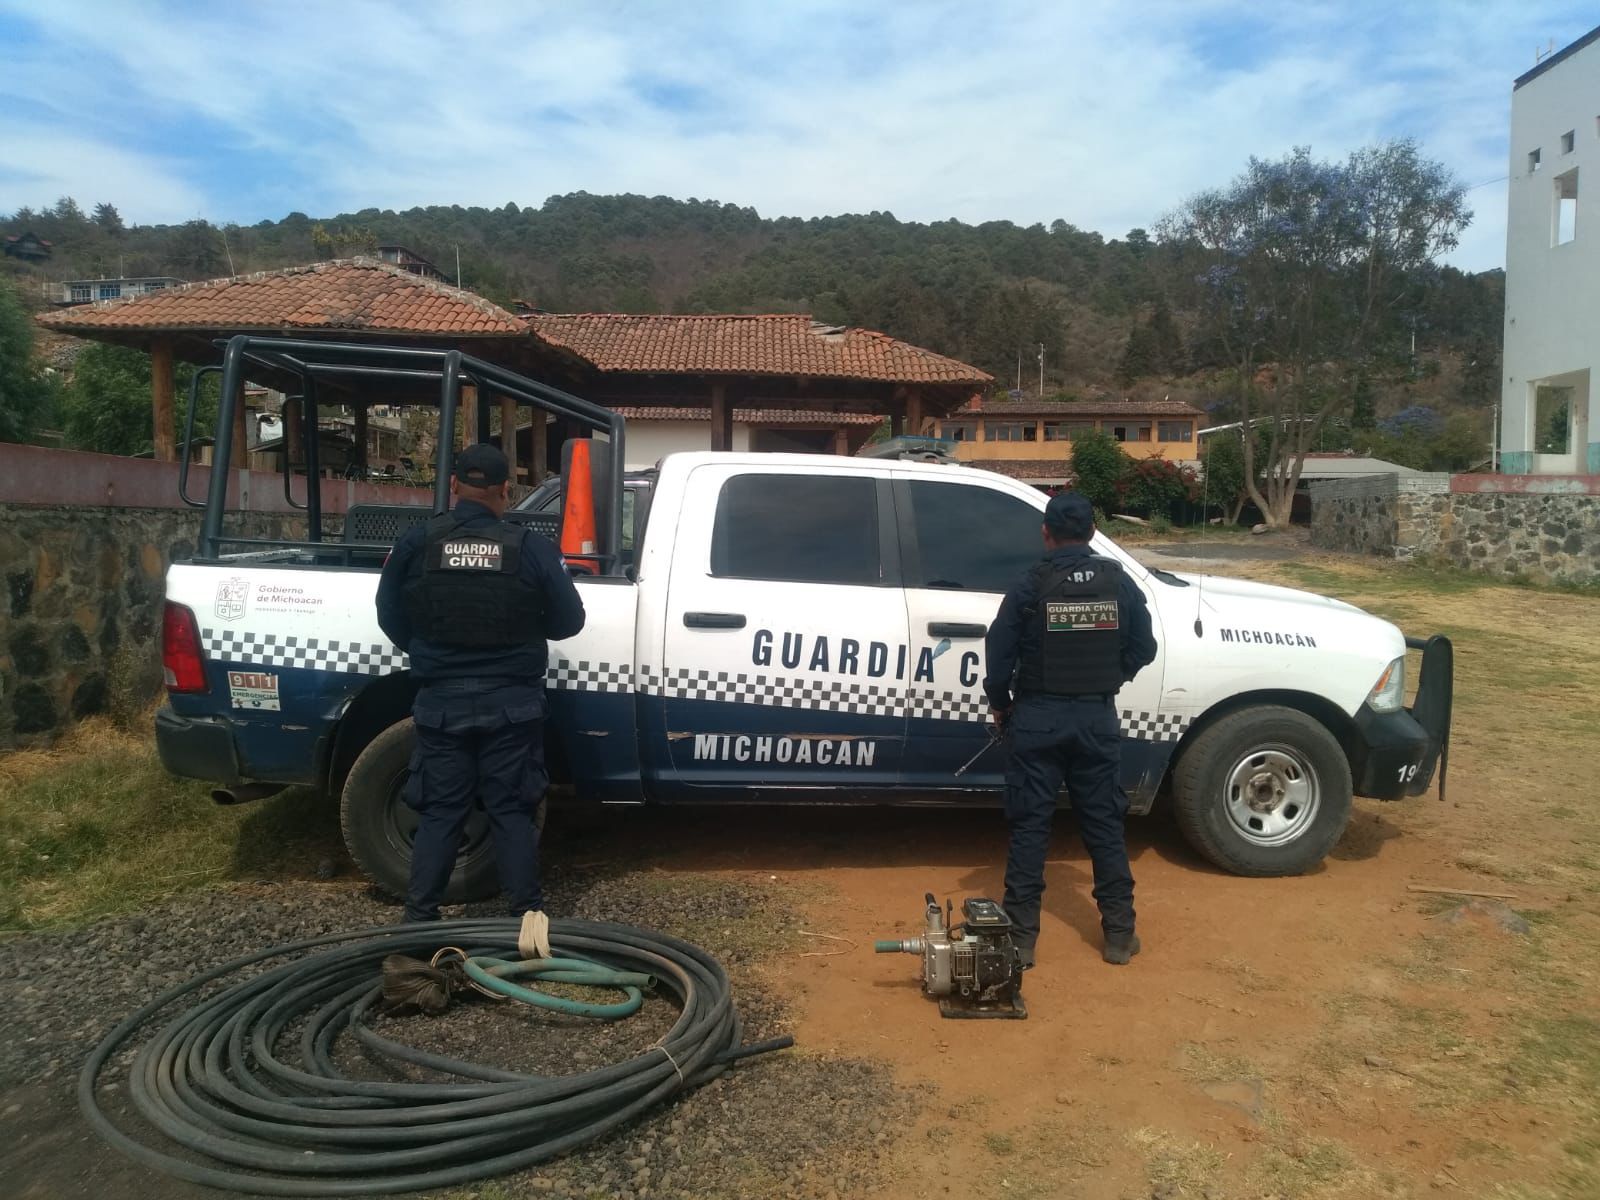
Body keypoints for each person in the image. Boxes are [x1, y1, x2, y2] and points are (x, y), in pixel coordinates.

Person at [376, 443, 586, 923]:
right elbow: (569, 622)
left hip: (442, 703)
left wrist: (433, 653)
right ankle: (525, 921)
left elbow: (390, 616)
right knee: (511, 811)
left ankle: (419, 921)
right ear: (505, 491)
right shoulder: (530, 548)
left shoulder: (416, 544)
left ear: (453, 486)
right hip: (512, 706)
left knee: (440, 812)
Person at [983, 491, 1157, 967]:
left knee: (1030, 828)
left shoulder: (1030, 584)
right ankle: (1120, 936)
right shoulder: (1118, 583)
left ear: (1046, 533)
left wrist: (1002, 705)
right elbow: (1145, 646)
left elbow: (998, 659)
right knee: (1103, 826)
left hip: (1038, 719)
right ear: (1093, 533)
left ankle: (1020, 941)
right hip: (1096, 719)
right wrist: (1109, 679)